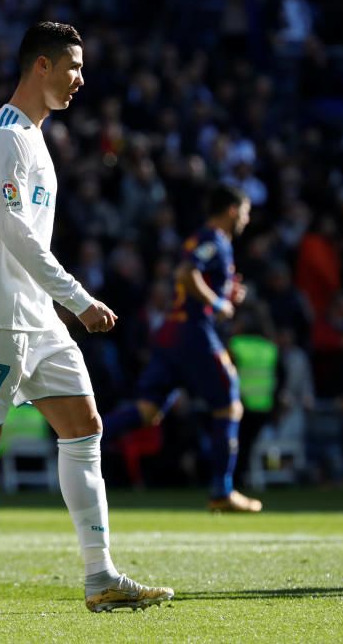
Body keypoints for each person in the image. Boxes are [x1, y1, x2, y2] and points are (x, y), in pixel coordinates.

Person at [0, 21, 173, 615]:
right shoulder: (0, 138)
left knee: (85, 427)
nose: (80, 79)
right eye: (73, 67)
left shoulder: (33, 138)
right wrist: (78, 298)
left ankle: (101, 575)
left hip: (38, 320)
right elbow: (14, 235)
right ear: (41, 66)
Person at [104, 183, 263, 512]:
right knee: (229, 404)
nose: (247, 219)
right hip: (193, 332)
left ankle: (80, 440)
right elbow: (186, 273)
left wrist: (228, 292)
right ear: (232, 210)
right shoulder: (212, 239)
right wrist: (219, 302)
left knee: (147, 411)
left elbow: (196, 275)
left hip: (171, 333)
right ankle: (222, 491)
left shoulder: (211, 242)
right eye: (245, 212)